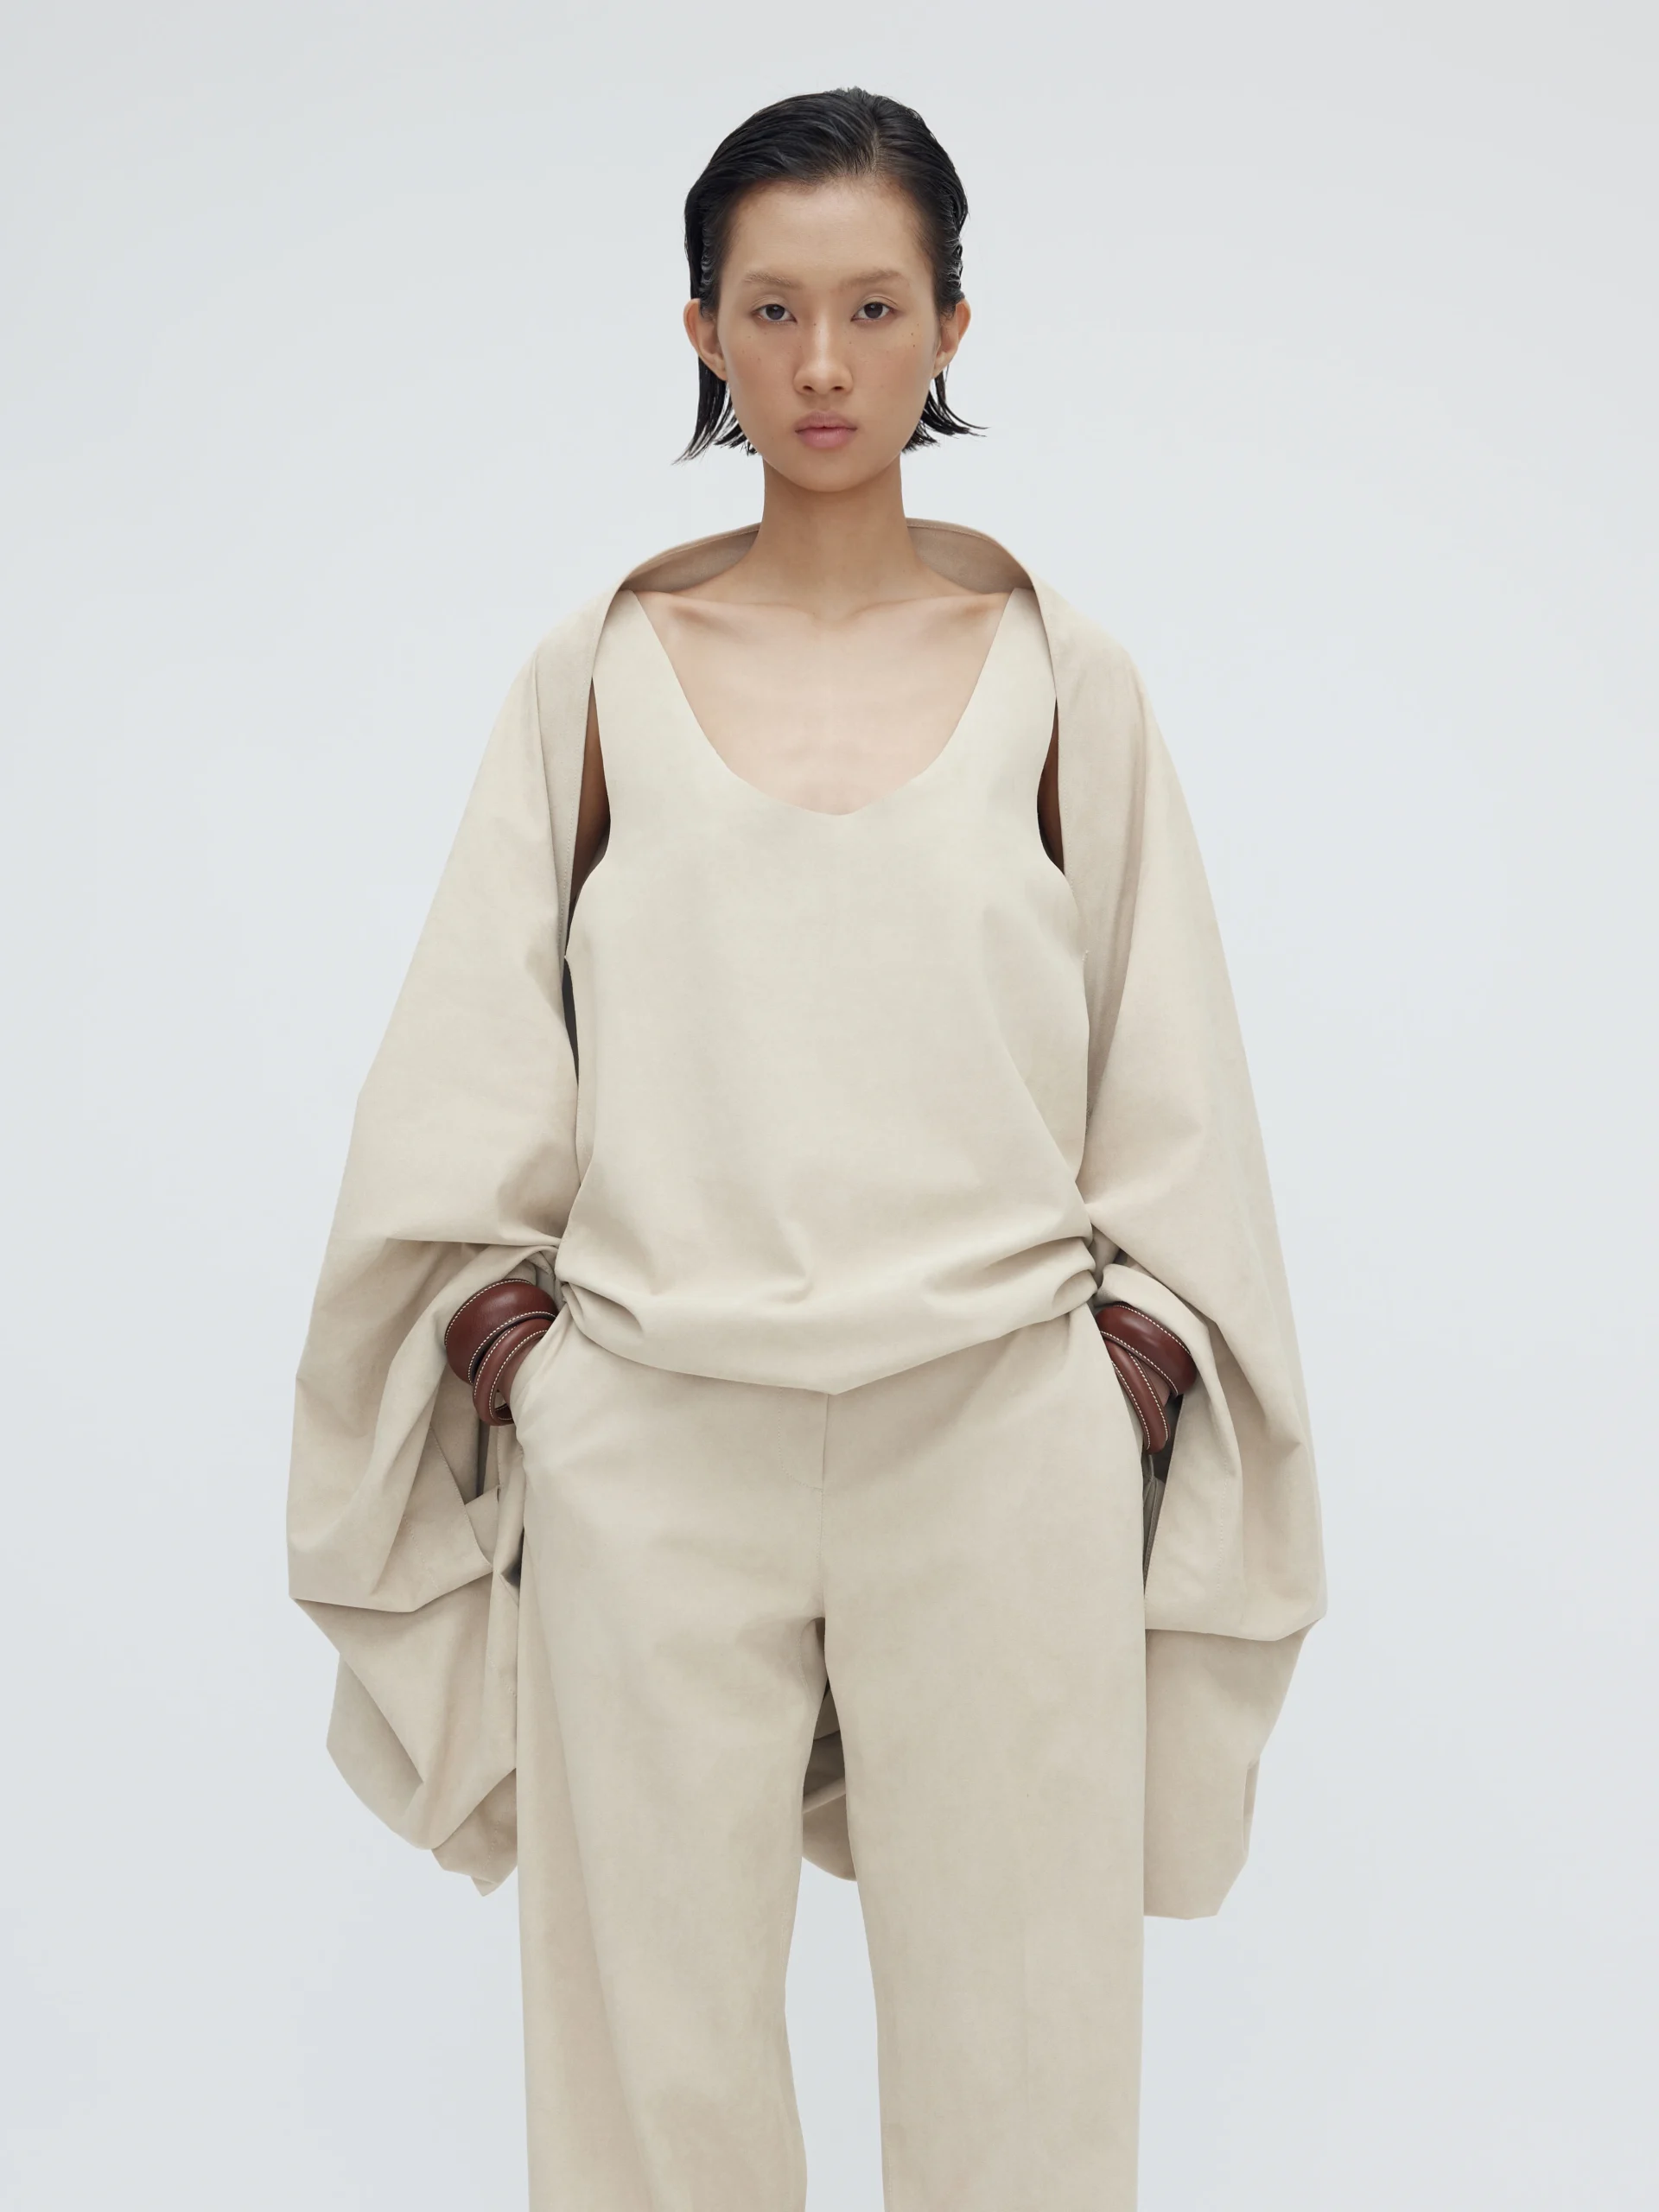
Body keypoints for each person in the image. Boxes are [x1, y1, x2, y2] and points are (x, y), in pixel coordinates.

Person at [288, 86, 1325, 2212]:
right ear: (700, 330)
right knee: (643, 2060)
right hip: (655, 1440)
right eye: (773, 309)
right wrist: (535, 1374)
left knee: (1026, 2052)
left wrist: (1117, 1376)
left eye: (874, 305)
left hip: (1000, 1436)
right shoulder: (597, 679)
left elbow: (1176, 1080)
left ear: (953, 325)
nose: (825, 362)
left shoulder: (1065, 680)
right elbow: (466, 1077)